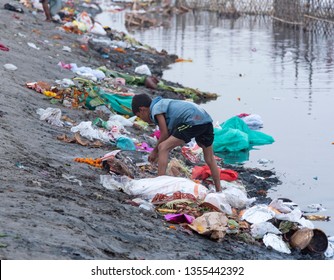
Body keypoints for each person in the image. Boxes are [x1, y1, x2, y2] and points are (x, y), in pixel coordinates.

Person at [132, 93, 222, 192]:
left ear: (142, 109)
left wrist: (154, 151)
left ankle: (158, 184)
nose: (142, 119)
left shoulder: (156, 109)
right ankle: (219, 190)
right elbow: (170, 133)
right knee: (209, 158)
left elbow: (164, 134)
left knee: (163, 147)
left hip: (193, 121)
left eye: (139, 116)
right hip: (206, 120)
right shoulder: (162, 104)